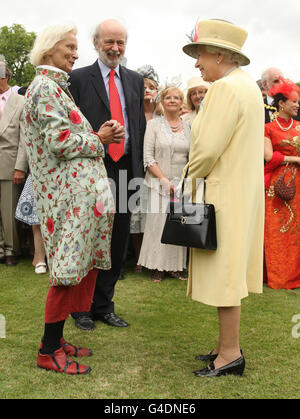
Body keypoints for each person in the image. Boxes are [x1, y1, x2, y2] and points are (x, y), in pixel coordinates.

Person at [24, 25, 123, 375]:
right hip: (67, 199)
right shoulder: (45, 88)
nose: (76, 54)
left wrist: (97, 137)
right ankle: (48, 350)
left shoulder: (54, 88)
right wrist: (100, 137)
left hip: (76, 197)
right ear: (50, 48)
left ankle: (57, 341)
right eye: (69, 47)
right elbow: (61, 142)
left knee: (77, 266)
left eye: (76, 47)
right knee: (66, 270)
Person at [182, 19, 264, 377]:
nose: (197, 63)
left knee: (225, 277)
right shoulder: (248, 87)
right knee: (230, 272)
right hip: (240, 194)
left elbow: (208, 148)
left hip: (222, 196)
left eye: (199, 54)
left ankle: (229, 354)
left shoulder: (225, 90)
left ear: (218, 53)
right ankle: (224, 346)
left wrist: (187, 182)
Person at [69, 19, 146, 330]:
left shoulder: (135, 80)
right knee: (88, 239)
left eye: (121, 42)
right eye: (109, 42)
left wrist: (139, 171)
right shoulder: (76, 79)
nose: (115, 48)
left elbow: (138, 125)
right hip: (92, 169)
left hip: (126, 168)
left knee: (117, 241)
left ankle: (104, 305)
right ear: (96, 43)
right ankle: (81, 308)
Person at [138, 85, 190, 282]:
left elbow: (191, 156)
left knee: (177, 225)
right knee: (158, 224)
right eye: (168, 97)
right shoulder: (153, 125)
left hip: (182, 184)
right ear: (162, 101)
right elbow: (148, 157)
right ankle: (157, 266)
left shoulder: (188, 127)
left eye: (176, 97)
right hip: (158, 181)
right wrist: (163, 180)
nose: (172, 100)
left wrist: (184, 183)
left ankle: (175, 267)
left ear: (181, 102)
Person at [264, 78, 300, 290]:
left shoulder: (299, 127)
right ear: (281, 104)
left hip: (299, 183)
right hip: (277, 183)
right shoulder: (268, 128)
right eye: (294, 101)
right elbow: (268, 156)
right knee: (277, 231)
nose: (297, 105)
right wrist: (295, 160)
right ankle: (279, 276)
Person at [130, 65, 162, 273]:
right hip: (134, 170)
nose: (147, 90)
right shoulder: (132, 113)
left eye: (151, 87)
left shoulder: (163, 115)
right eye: (143, 87)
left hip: (157, 171)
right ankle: (138, 258)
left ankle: (157, 259)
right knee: (135, 214)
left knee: (155, 215)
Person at [0, 60, 28, 266]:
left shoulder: (20, 101)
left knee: (9, 211)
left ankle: (12, 250)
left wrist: (20, 166)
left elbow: (24, 138)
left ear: (5, 77)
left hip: (9, 163)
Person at [15, 174, 47, 274]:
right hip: (39, 173)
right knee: (37, 216)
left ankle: (53, 259)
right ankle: (40, 260)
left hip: (61, 174)